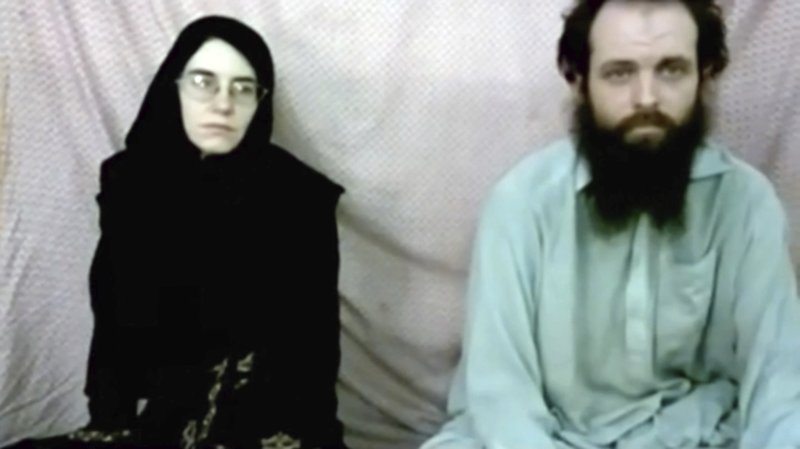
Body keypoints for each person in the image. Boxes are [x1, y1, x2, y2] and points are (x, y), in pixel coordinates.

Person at [422, 1, 800, 448]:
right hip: (547, 435)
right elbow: (501, 395)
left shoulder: (746, 202)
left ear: (704, 76)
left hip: (697, 436)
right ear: (579, 82)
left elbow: (778, 383)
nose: (647, 98)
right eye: (620, 73)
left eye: (671, 70)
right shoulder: (521, 203)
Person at [65, 16, 347, 449]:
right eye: (203, 83)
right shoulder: (132, 184)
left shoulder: (298, 198)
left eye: (243, 88)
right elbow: (114, 324)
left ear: (261, 100)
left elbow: (313, 348)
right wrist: (110, 418)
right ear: (173, 87)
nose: (223, 105)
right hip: (161, 423)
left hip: (267, 426)